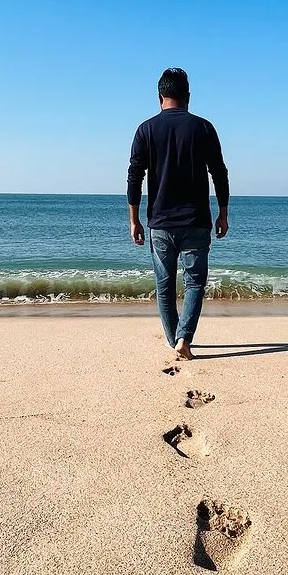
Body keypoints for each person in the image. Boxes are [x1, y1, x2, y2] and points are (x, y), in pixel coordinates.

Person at [127, 67, 230, 360]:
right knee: (195, 282)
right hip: (197, 220)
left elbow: (135, 176)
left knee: (164, 285)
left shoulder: (145, 129)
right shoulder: (204, 128)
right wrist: (223, 212)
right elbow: (219, 173)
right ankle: (184, 338)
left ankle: (175, 339)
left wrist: (133, 219)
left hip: (160, 222)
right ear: (188, 96)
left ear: (160, 97)